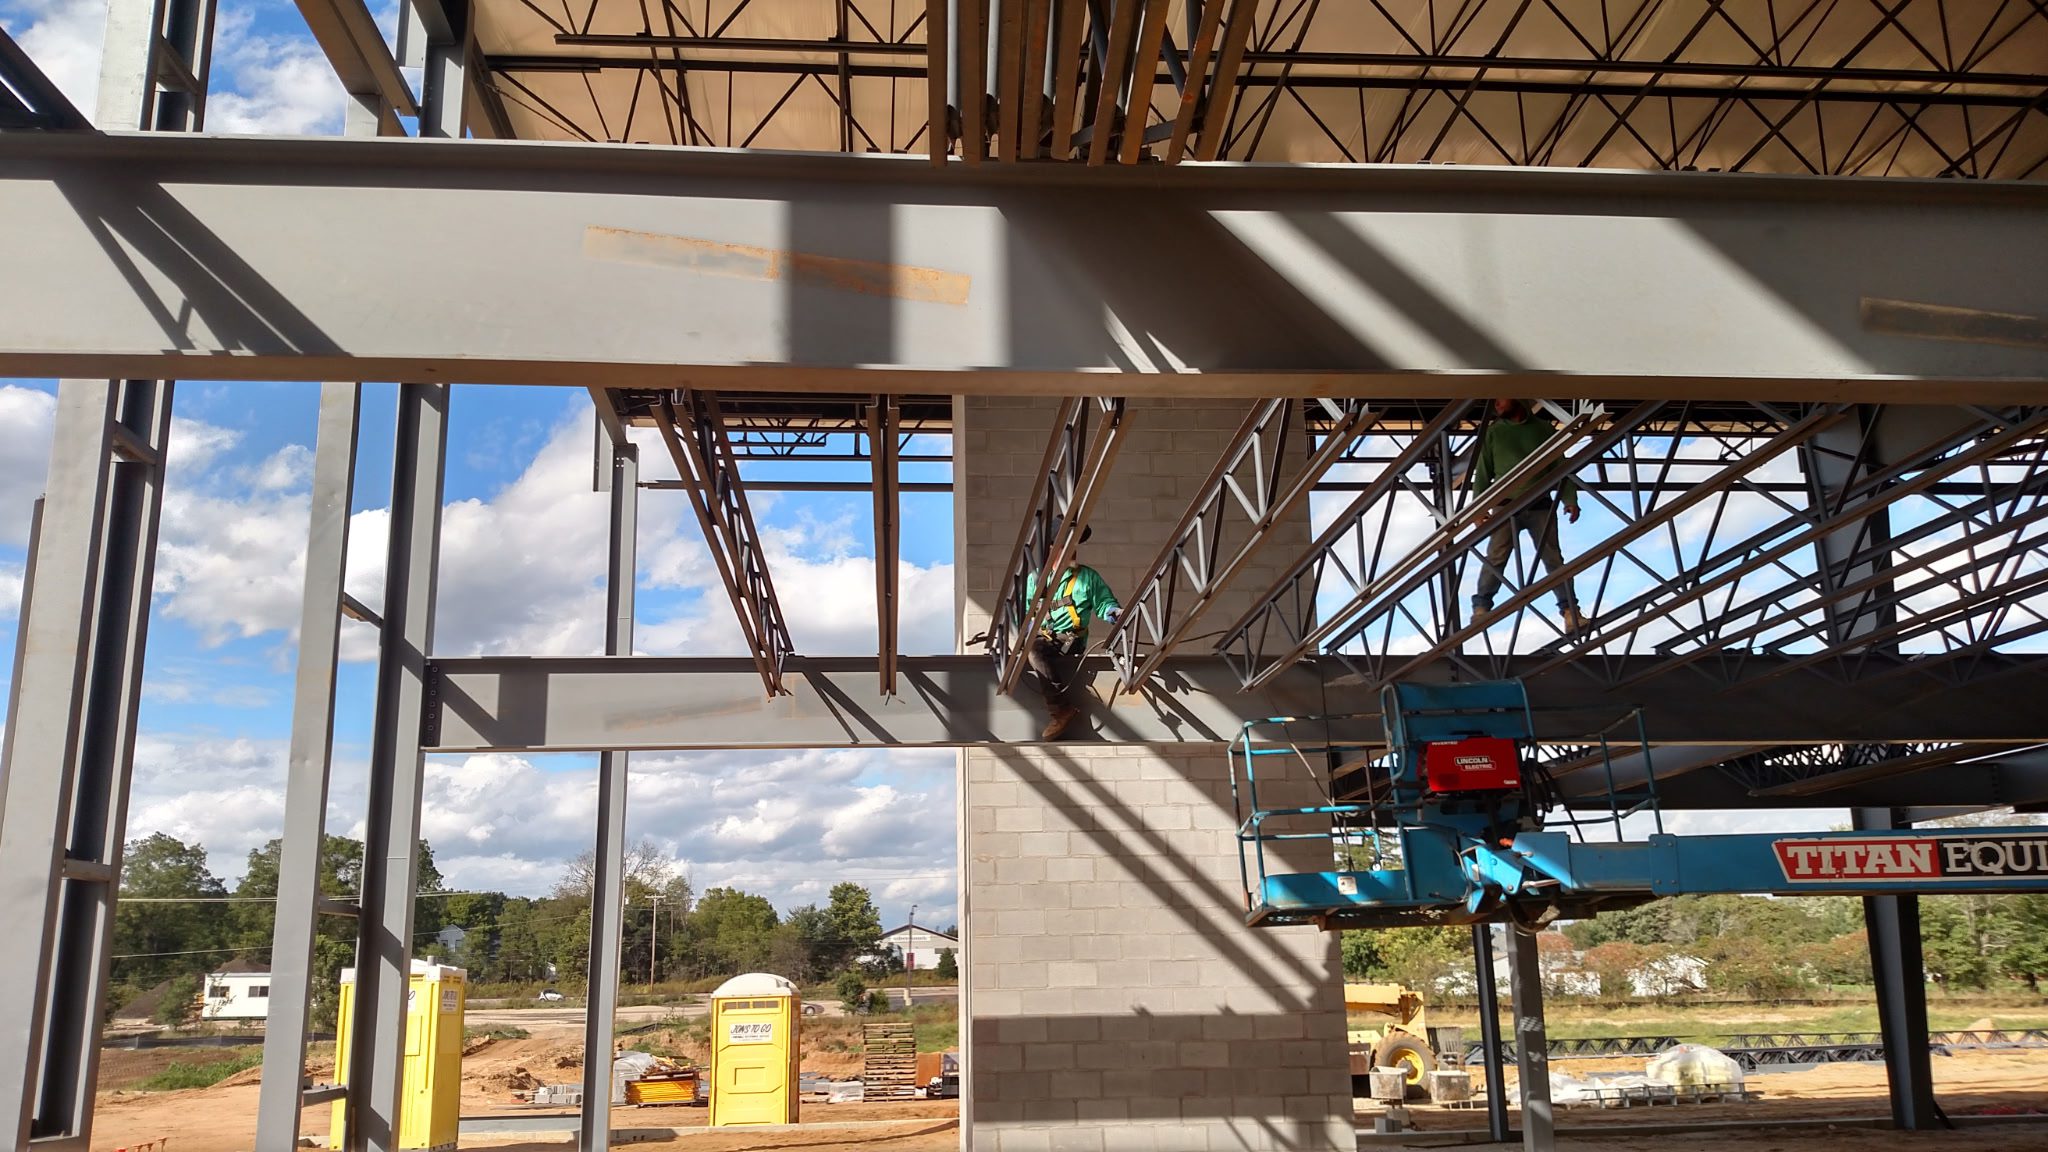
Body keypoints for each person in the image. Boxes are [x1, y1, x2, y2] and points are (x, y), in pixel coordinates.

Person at [1470, 398, 1586, 631]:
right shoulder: (1495, 432)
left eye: (1501, 400)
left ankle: (1570, 613)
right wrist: (1478, 510)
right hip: (1505, 506)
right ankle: (1481, 608)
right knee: (1497, 556)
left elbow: (1559, 466)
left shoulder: (1543, 430)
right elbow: (1483, 472)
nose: (1497, 406)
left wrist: (1570, 498)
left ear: (1517, 399)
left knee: (1553, 558)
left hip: (1540, 502)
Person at [1021, 522, 1121, 741]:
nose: (1072, 550)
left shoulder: (1087, 578)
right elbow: (1028, 612)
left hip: (1070, 639)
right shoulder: (1036, 580)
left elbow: (1105, 603)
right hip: (1045, 637)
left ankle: (1060, 710)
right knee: (1030, 649)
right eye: (1066, 545)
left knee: (1035, 649)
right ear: (1052, 548)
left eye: (1074, 544)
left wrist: (1115, 613)